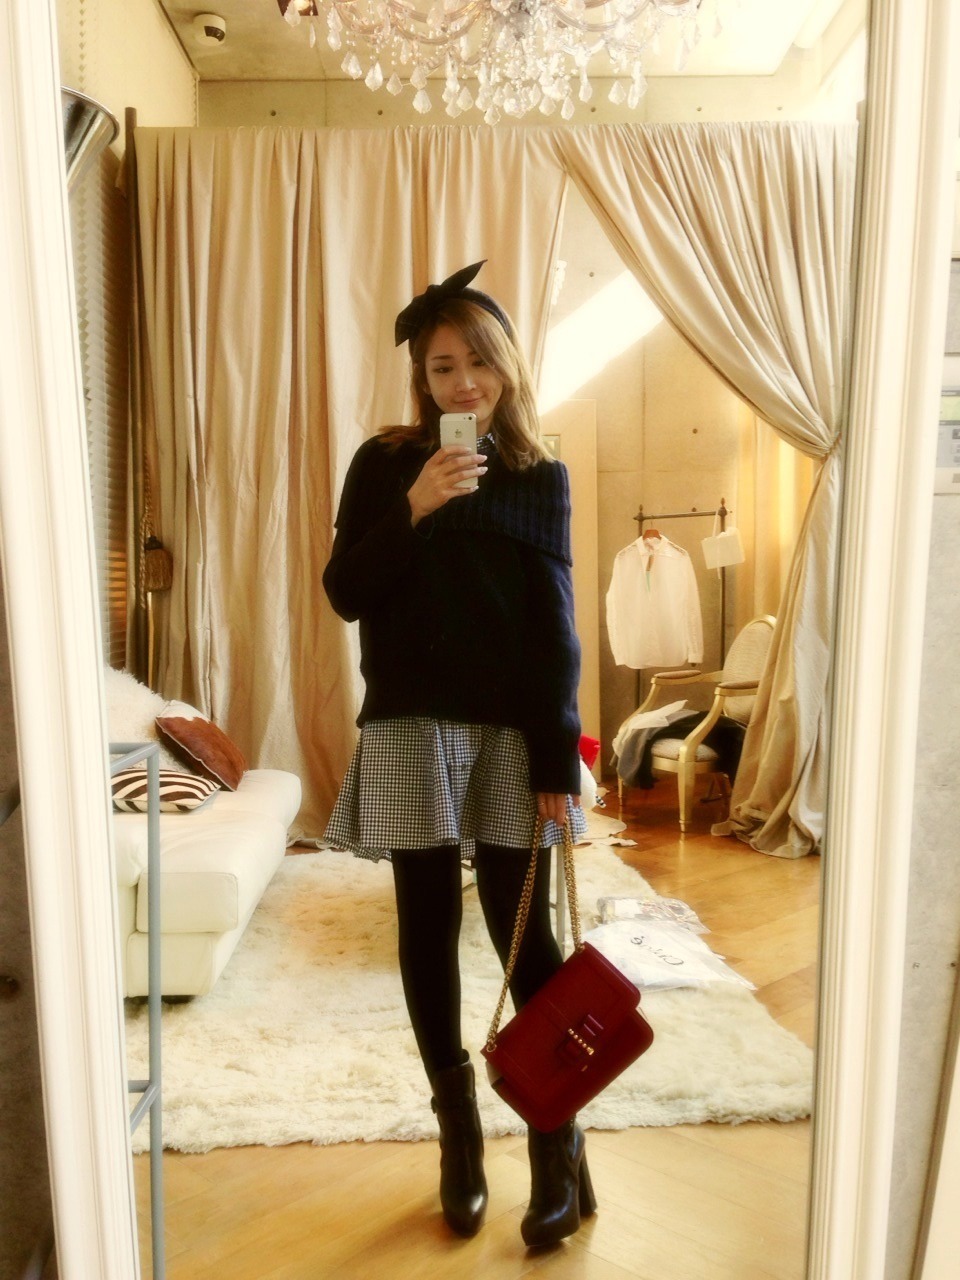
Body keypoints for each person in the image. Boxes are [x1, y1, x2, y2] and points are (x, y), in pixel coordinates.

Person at [322, 261, 593, 1247]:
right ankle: (460, 1134)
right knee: (426, 927)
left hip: (512, 735)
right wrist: (416, 507)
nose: (463, 382)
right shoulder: (383, 463)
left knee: (529, 940)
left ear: (506, 366)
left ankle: (557, 1138)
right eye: (442, 367)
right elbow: (346, 592)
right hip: (409, 725)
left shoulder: (539, 474)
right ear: (422, 378)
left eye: (477, 361)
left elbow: (554, 629)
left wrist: (558, 756)